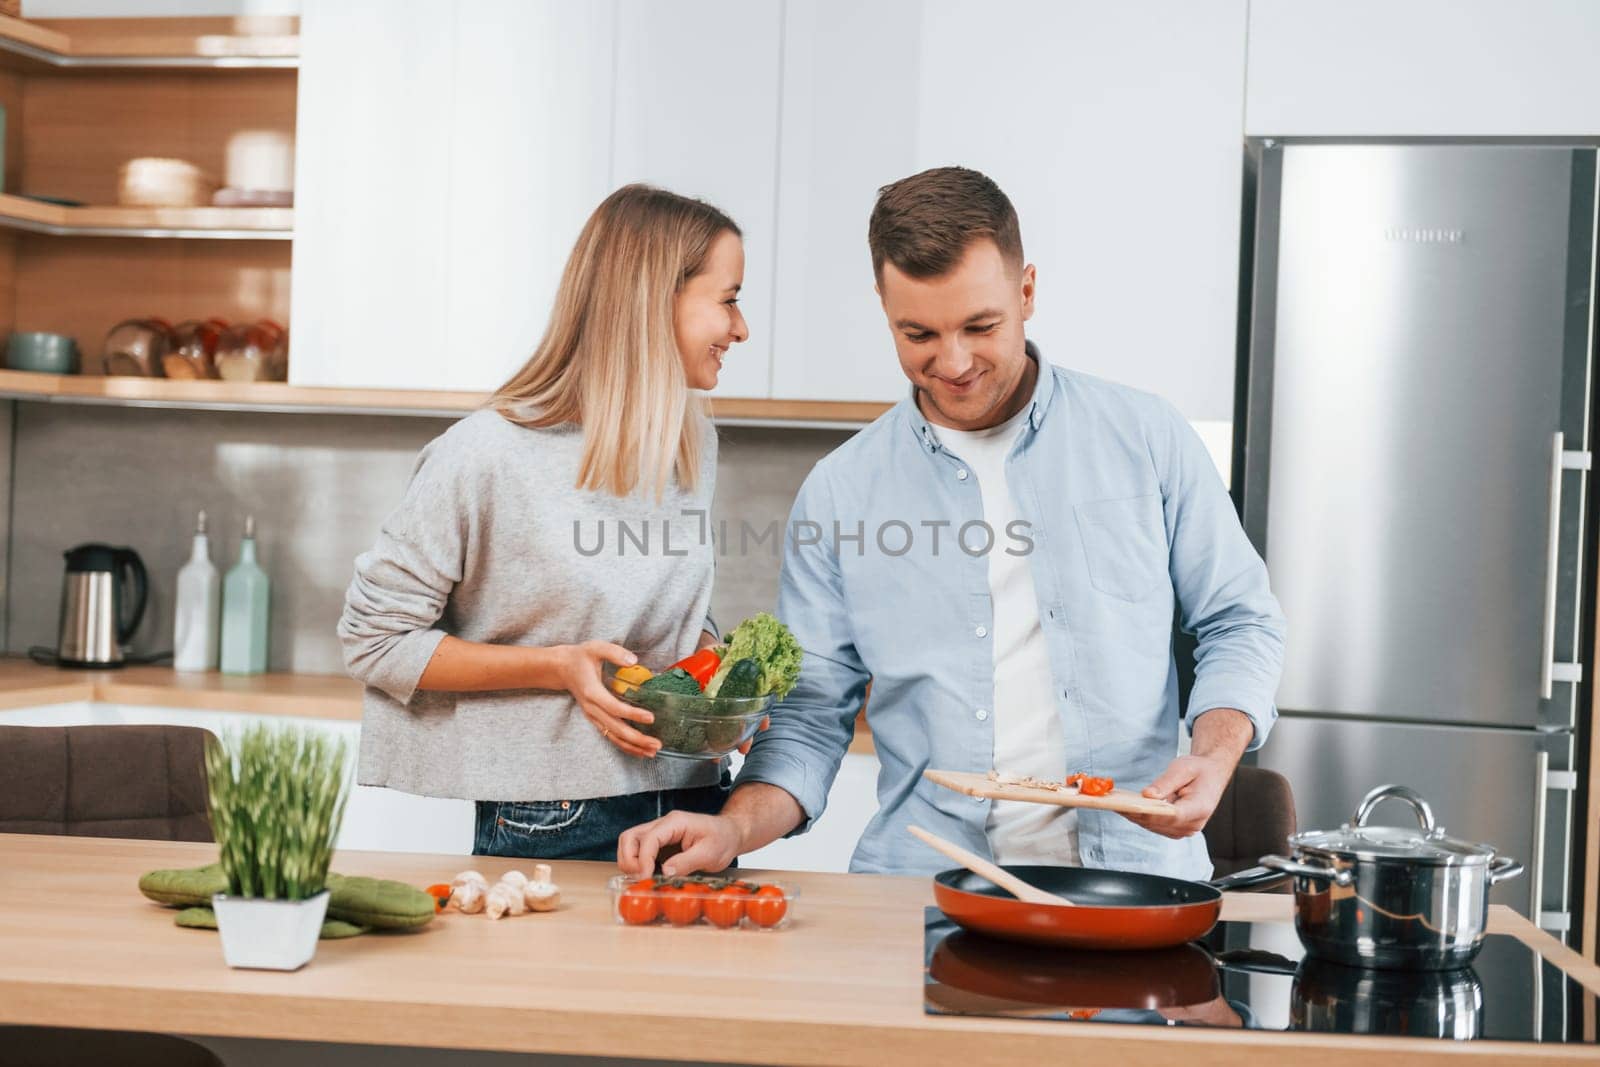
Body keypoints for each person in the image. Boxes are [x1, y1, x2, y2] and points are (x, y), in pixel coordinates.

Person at [619, 166, 1285, 879]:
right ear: (883, 307)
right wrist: (732, 830)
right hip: (921, 899)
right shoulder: (841, 491)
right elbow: (812, 717)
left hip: (1134, 884)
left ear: (1026, 290)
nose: (955, 361)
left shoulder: (1147, 437)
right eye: (920, 333)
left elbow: (1239, 620)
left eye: (981, 325)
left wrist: (1215, 757)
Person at [339, 183, 749, 860]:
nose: (741, 328)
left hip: (694, 802)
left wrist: (717, 682)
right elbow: (373, 640)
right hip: (555, 815)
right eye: (728, 298)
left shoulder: (686, 442)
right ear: (654, 300)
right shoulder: (485, 455)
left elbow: (659, 614)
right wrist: (559, 666)